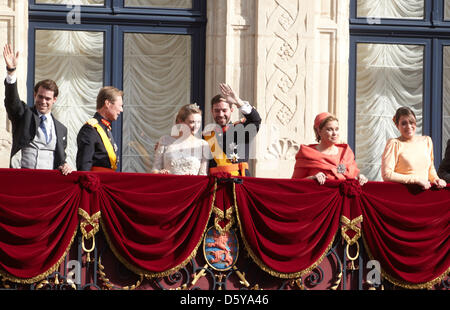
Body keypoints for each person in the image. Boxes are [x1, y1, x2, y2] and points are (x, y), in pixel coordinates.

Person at [2, 44, 73, 175]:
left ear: (54, 100)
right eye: (40, 97)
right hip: (24, 179)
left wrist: (65, 165)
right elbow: (12, 102)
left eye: (47, 98)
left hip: (48, 182)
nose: (43, 101)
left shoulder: (61, 129)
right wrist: (11, 71)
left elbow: (60, 159)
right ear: (35, 95)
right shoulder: (24, 115)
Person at [292, 112, 368, 186]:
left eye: (337, 129)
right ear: (319, 131)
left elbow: (351, 175)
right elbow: (294, 184)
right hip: (320, 197)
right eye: (330, 129)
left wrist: (360, 178)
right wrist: (312, 179)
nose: (335, 133)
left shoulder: (345, 153)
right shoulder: (307, 154)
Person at [381, 107, 446, 190]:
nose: (409, 126)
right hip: (403, 194)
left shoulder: (427, 141)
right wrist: (416, 180)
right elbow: (386, 174)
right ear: (397, 126)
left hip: (424, 194)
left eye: (411, 122)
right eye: (404, 123)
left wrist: (436, 179)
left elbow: (430, 169)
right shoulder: (394, 143)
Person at [203, 83, 261, 177]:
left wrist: (238, 101)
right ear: (211, 111)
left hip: (239, 183)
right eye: (217, 110)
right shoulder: (206, 136)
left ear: (231, 110)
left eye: (224, 110)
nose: (221, 114)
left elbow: (255, 120)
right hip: (215, 186)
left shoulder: (241, 130)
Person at [151, 103, 211, 175]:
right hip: (169, 184)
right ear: (180, 122)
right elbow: (155, 169)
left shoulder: (203, 145)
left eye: (199, 122)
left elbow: (203, 174)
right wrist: (160, 173)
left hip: (192, 185)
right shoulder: (165, 140)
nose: (196, 126)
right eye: (192, 122)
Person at [76, 86, 123, 172]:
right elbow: (84, 166)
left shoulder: (105, 128)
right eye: (119, 106)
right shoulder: (90, 129)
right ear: (107, 103)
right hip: (97, 182)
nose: (121, 110)